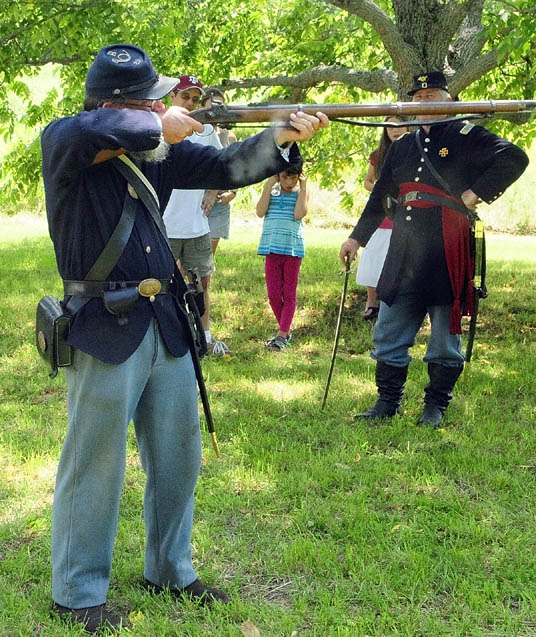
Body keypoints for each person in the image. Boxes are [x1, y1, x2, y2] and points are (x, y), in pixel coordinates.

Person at [41, 43, 327, 633]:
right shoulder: (68, 140)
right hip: (103, 324)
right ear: (127, 104)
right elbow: (87, 129)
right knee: (93, 465)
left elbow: (228, 169)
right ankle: (76, 591)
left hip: (166, 322)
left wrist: (283, 138)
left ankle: (169, 568)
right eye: (154, 98)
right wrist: (155, 124)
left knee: (178, 458)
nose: (169, 102)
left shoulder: (157, 152)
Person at [340, 71, 528, 428]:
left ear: (450, 101)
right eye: (419, 97)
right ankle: (387, 402)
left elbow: (514, 157)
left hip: (447, 246)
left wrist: (475, 194)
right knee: (389, 328)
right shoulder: (401, 146)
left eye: (432, 95)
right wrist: (355, 238)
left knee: (444, 335)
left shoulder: (467, 134)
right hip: (404, 248)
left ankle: (435, 406)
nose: (424, 103)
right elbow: (381, 196)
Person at [162, 75, 230, 356]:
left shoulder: (205, 131)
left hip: (196, 225)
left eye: (194, 98)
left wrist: (213, 192)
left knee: (201, 285)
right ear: (171, 98)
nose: (189, 102)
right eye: (184, 96)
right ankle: (169, 337)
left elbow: (222, 165)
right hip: (165, 225)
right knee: (163, 287)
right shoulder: (159, 128)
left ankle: (204, 336)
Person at [356, 116, 409, 320]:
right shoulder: (379, 155)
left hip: (404, 214)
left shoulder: (415, 151)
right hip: (381, 213)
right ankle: (372, 301)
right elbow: (367, 182)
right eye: (389, 127)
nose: (394, 130)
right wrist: (379, 187)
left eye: (399, 125)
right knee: (373, 255)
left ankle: (396, 302)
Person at [255, 155, 309, 351]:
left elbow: (299, 214)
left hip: (292, 249)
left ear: (299, 176)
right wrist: (269, 184)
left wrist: (303, 188)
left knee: (289, 293)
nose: (288, 182)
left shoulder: (301, 192)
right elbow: (260, 212)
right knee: (273, 294)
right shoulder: (272, 191)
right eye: (285, 177)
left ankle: (282, 334)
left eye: (293, 178)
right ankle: (284, 330)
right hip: (271, 247)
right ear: (278, 175)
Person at [201, 88, 238, 256]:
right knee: (186, 258)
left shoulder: (229, 137)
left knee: (208, 255)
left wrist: (233, 192)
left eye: (220, 106)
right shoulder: (194, 132)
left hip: (219, 202)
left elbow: (235, 169)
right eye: (211, 106)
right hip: (195, 200)